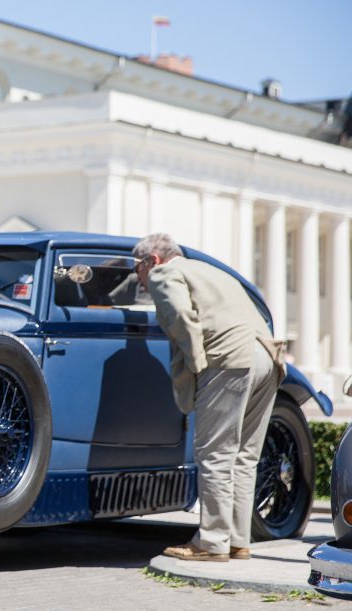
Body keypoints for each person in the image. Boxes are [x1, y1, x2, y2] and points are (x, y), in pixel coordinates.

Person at [132, 233, 285, 562]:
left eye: (137, 270)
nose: (140, 279)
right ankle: (237, 541)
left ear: (152, 260)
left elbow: (180, 316)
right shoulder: (210, 270)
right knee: (244, 457)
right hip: (267, 358)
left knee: (215, 454)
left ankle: (211, 543)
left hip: (228, 359)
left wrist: (197, 365)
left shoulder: (164, 272)